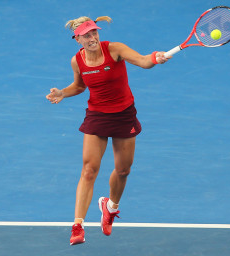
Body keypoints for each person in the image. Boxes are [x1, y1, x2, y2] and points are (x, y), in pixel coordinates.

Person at [46, 16, 171, 245]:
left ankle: (110, 207)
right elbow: (80, 86)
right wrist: (63, 93)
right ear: (77, 39)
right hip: (98, 116)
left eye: (94, 32)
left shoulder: (114, 49)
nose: (92, 37)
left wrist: (156, 57)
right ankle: (77, 226)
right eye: (86, 34)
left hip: (124, 114)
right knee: (88, 170)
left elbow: (143, 61)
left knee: (123, 170)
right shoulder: (77, 61)